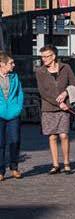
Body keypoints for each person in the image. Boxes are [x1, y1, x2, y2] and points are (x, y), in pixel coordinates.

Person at [35, 45, 75, 175]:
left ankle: (66, 163)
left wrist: (65, 93)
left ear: (53, 56)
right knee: (52, 137)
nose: (44, 59)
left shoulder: (65, 68)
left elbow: (74, 84)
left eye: (46, 56)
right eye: (42, 57)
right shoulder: (40, 72)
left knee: (64, 135)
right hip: (48, 108)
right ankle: (55, 165)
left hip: (64, 107)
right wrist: (57, 103)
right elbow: (43, 92)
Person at [0, 52, 24, 180]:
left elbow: (20, 93)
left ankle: (14, 168)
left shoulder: (14, 76)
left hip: (13, 113)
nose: (13, 65)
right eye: (11, 63)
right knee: (0, 143)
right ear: (2, 64)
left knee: (15, 140)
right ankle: (0, 171)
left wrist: (18, 108)